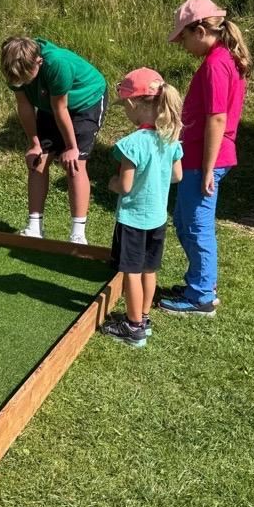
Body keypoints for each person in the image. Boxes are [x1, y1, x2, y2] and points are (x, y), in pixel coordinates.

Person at [159, 0, 250, 316]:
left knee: (197, 226)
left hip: (204, 160)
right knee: (185, 222)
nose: (183, 45)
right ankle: (199, 283)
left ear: (199, 30)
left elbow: (217, 118)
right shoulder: (222, 58)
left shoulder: (216, 64)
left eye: (183, 37)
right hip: (198, 158)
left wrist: (208, 168)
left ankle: (202, 296)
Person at [99, 68, 183, 348]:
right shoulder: (170, 138)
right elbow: (177, 176)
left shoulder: (131, 144)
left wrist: (111, 183)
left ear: (133, 103)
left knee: (131, 272)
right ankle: (143, 318)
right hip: (157, 217)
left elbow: (125, 185)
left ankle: (133, 328)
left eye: (124, 106)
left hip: (134, 218)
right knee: (149, 269)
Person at [0, 36, 108, 244]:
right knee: (37, 160)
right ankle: (35, 227)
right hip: (51, 105)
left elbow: (61, 108)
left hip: (86, 101)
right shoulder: (13, 65)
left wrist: (71, 147)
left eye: (27, 78)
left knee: (75, 163)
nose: (24, 82)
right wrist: (34, 144)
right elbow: (24, 106)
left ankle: (78, 234)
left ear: (39, 62)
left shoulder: (57, 64)